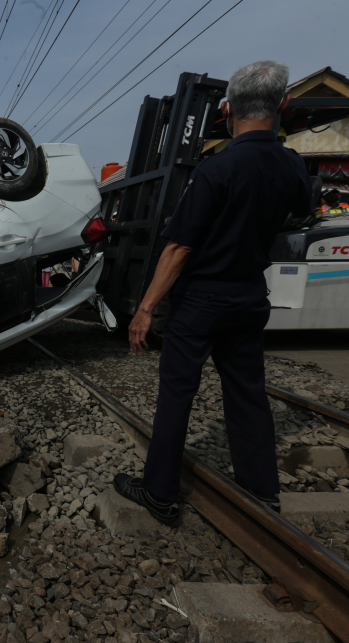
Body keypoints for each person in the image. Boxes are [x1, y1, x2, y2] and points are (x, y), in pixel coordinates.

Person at [117, 61, 312, 525]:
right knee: (247, 392)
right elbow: (298, 215)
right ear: (283, 104)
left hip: (202, 299)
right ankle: (261, 491)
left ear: (226, 111)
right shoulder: (292, 166)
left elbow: (180, 246)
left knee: (177, 394)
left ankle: (159, 494)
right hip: (249, 297)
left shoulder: (216, 169)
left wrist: (145, 309)